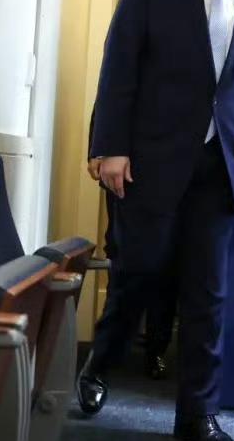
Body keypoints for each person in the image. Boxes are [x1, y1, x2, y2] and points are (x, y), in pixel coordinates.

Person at [78, 0, 234, 441]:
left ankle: (197, 416)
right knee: (137, 275)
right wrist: (110, 147)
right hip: (149, 164)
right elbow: (118, 70)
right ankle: (99, 365)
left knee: (207, 293)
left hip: (221, 171)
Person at [87, 114, 176, 381]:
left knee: (168, 263)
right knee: (121, 256)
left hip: (174, 165)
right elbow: (110, 99)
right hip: (125, 168)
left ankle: (156, 349)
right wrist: (98, 149)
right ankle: (104, 358)